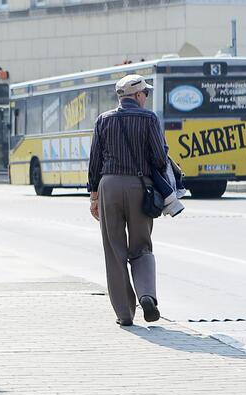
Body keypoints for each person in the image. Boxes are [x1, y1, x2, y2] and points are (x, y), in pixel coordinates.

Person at [87, 74, 167, 327]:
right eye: (146, 93)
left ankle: (124, 314)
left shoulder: (103, 120)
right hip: (139, 187)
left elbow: (94, 161)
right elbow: (159, 159)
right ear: (139, 95)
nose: (147, 97)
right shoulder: (149, 119)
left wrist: (94, 197)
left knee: (114, 251)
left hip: (108, 186)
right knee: (142, 246)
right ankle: (146, 295)